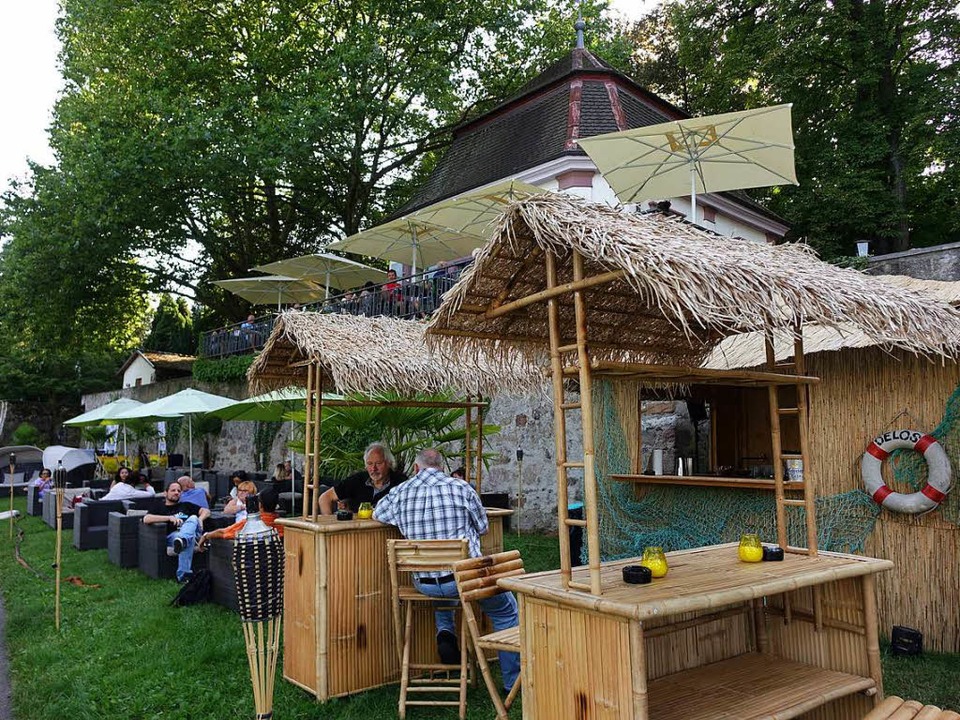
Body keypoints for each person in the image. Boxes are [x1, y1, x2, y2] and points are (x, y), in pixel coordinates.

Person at [373, 448, 520, 690]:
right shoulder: (461, 488)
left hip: (425, 584)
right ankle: (513, 682)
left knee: (444, 586)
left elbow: (378, 513)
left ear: (416, 469)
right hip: (464, 578)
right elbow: (483, 527)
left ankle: (445, 631)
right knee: (505, 611)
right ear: (441, 467)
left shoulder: (399, 492)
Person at [142, 480, 211, 583]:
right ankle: (184, 576)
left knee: (193, 517)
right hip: (173, 536)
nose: (176, 492)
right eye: (173, 490)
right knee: (188, 540)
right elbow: (146, 518)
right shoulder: (159, 506)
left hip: (194, 533)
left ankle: (183, 539)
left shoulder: (186, 505)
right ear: (165, 493)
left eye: (179, 491)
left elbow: (206, 511)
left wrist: (200, 519)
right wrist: (169, 518)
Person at [318, 442, 406, 514]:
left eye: (378, 463)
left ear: (389, 463)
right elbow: (325, 498)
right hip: (356, 532)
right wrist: (329, 524)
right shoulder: (357, 480)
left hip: (388, 532)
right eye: (369, 464)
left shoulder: (401, 482)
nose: (373, 468)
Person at [197, 487, 284, 551]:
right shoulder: (284, 526)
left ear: (259, 504)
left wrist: (206, 536)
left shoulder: (249, 525)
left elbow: (224, 533)